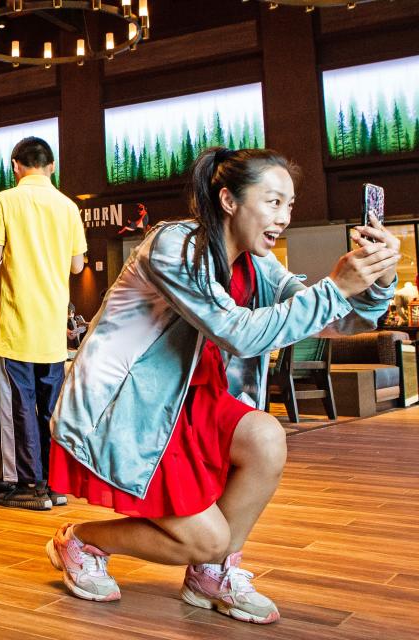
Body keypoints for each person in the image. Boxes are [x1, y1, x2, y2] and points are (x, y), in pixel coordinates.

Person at [45, 147, 399, 624]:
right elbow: (237, 330)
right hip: (135, 412)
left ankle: (210, 574)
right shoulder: (174, 246)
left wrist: (379, 276)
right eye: (273, 202)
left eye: (289, 205)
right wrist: (334, 287)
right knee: (207, 538)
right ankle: (83, 540)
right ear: (229, 200)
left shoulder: (260, 265)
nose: (284, 217)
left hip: (200, 405)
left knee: (267, 436)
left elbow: (343, 322)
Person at [0, 136, 87, 511]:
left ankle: (29, 484)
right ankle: (56, 484)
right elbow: (77, 265)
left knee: (21, 405)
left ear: (15, 166)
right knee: (50, 406)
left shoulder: (5, 201)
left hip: (17, 322)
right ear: (52, 166)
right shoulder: (69, 207)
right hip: (53, 325)